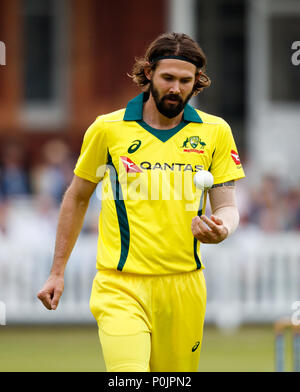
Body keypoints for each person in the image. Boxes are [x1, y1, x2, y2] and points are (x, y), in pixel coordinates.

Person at [37, 32, 245, 372]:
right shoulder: (108, 128)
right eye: (168, 78)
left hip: (185, 285)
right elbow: (77, 197)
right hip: (120, 285)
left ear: (197, 82)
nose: (176, 89)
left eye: (185, 81)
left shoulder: (215, 131)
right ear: (148, 73)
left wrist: (223, 229)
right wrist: (56, 272)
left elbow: (227, 206)